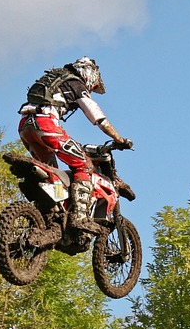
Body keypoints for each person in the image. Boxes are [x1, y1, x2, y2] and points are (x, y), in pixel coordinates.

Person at [18, 57, 132, 233]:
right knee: (84, 165)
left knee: (51, 174)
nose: (92, 88)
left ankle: (51, 217)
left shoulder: (56, 79)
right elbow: (98, 117)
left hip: (25, 126)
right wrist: (119, 139)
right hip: (46, 124)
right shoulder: (76, 84)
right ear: (90, 73)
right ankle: (79, 217)